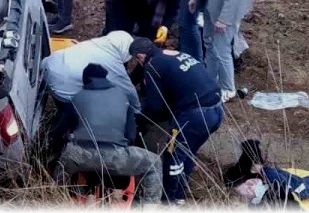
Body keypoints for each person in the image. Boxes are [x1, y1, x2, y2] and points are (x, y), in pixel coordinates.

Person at [130, 39, 224, 205]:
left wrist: (139, 118)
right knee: (187, 154)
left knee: (173, 156)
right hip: (217, 109)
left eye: (137, 60)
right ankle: (179, 196)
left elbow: (155, 106)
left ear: (140, 56)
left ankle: (168, 201)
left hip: (195, 115)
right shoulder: (174, 55)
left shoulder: (152, 66)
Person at [54, 64, 162, 204]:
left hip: (81, 156)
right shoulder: (123, 96)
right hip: (116, 156)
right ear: (105, 78)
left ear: (84, 80)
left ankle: (58, 200)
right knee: (155, 163)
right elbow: (130, 135)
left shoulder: (76, 98)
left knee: (60, 172)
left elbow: (62, 130)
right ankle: (148, 206)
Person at [43, 31, 143, 115]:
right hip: (64, 85)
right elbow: (129, 90)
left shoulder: (96, 43)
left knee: (62, 107)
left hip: (51, 65)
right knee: (71, 114)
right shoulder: (112, 61)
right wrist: (137, 110)